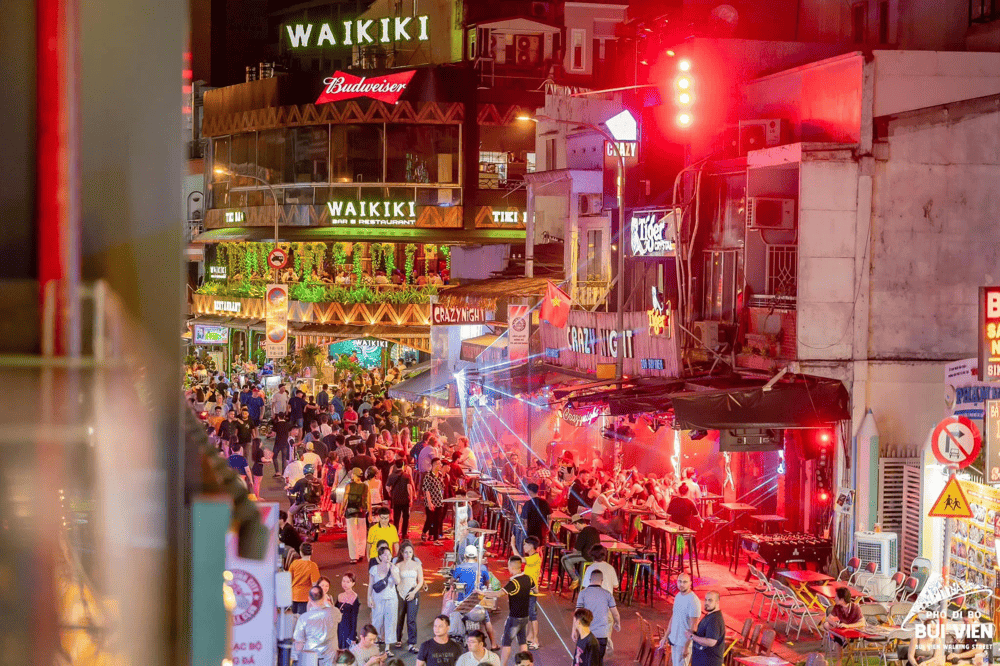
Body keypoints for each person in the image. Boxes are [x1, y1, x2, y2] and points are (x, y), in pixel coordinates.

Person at [480, 556, 532, 666]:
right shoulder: (528, 578)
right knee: (522, 641)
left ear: (511, 567)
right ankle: (526, 664)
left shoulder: (514, 583)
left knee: (506, 643)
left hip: (514, 617)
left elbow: (499, 593)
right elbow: (534, 589)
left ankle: (502, 664)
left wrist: (483, 593)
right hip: (525, 616)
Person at [575, 570, 620, 666]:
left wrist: (574, 630)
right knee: (598, 661)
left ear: (590, 579)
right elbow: (615, 613)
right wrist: (617, 623)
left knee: (583, 661)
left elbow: (577, 614)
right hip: (601, 635)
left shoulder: (583, 593)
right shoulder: (607, 594)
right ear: (602, 581)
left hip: (585, 634)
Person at [293, 585, 342, 666]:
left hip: (310, 660)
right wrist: (327, 603)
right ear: (324, 597)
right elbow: (339, 618)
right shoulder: (334, 612)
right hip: (330, 660)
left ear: (309, 598)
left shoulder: (303, 618)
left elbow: (299, 642)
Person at [660, 573, 702, 666]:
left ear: (690, 583)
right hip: (674, 640)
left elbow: (694, 627)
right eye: (680, 581)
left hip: (683, 643)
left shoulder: (693, 601)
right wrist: (666, 636)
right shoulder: (678, 596)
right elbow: (673, 617)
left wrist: (686, 646)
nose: (682, 584)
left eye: (685, 582)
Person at [510, 536, 542, 650]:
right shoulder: (533, 558)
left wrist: (513, 545)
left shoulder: (535, 558)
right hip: (527, 590)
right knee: (529, 615)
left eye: (525, 544)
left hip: (531, 592)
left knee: (533, 616)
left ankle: (535, 640)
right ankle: (530, 636)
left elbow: (519, 560)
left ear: (531, 546)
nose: (524, 546)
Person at [369, 546, 401, 649]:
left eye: (389, 554)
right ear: (380, 556)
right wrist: (369, 598)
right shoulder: (374, 569)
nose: (388, 557)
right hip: (377, 598)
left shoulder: (394, 568)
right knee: (376, 621)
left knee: (390, 621)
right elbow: (370, 585)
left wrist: (393, 572)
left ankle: (387, 647)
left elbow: (398, 582)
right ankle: (374, 643)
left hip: (391, 598)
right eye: (385, 554)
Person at [395, 541, 424, 653]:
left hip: (413, 592)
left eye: (410, 552)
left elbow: (420, 581)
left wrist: (413, 592)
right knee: (399, 618)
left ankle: (412, 643)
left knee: (411, 619)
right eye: (406, 552)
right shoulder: (398, 565)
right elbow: (396, 581)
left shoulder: (417, 565)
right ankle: (398, 638)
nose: (408, 554)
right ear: (402, 553)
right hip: (400, 593)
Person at [688, 591, 725, 666]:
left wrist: (692, 636)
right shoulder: (710, 615)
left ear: (717, 602)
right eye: (706, 600)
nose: (706, 602)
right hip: (702, 661)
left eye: (710, 600)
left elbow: (711, 641)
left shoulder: (715, 619)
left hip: (708, 662)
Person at [562, 523, 601, 591]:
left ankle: (575, 578)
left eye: (575, 525)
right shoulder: (594, 529)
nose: (575, 527)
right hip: (597, 556)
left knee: (564, 559)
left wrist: (570, 553)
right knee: (574, 557)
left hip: (588, 556)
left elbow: (576, 550)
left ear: (577, 523)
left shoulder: (583, 532)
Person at [344, 468, 370, 562]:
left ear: (354, 475)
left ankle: (354, 557)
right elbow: (368, 501)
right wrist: (370, 513)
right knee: (362, 533)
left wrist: (341, 509)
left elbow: (345, 499)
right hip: (361, 512)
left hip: (351, 512)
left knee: (352, 534)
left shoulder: (349, 485)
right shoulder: (365, 486)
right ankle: (360, 553)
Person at [289, 542, 321, 615]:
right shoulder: (313, 566)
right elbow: (314, 584)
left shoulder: (294, 563)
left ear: (300, 552)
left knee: (294, 619)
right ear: (312, 552)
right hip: (305, 597)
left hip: (293, 595)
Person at [386, 459, 414, 537]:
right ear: (403, 466)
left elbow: (387, 486)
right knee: (405, 517)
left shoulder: (391, 475)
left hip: (396, 499)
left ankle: (395, 532)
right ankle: (404, 533)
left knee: (396, 518)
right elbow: (409, 488)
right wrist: (411, 499)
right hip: (405, 499)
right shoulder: (406, 475)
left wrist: (390, 493)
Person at [519, 483, 551, 549]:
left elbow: (524, 520)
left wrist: (524, 531)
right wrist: (548, 527)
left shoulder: (528, 504)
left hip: (531, 532)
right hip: (542, 531)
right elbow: (550, 517)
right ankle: (540, 558)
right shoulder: (545, 502)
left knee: (532, 549)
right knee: (540, 548)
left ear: (529, 491)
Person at [422, 458, 446, 543]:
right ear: (434, 465)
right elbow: (426, 490)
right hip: (431, 501)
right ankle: (424, 532)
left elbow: (442, 487)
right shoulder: (428, 476)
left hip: (439, 501)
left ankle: (436, 539)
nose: (440, 466)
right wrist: (429, 502)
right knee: (430, 519)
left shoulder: (439, 475)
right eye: (439, 464)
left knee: (438, 520)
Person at [335, 573, 361, 651]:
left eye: (348, 582)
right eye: (343, 581)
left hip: (348, 627)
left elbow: (354, 618)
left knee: (346, 650)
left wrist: (352, 636)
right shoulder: (340, 596)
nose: (345, 584)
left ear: (353, 583)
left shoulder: (355, 597)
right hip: (338, 626)